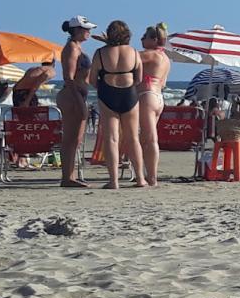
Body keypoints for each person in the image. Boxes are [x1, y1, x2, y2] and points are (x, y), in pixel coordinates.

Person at [91, 20, 146, 189]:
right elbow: (139, 79)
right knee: (133, 138)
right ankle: (140, 179)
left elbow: (92, 80)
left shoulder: (100, 53)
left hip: (108, 93)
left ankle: (114, 181)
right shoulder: (134, 52)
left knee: (111, 138)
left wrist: (105, 87)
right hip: (129, 93)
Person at [57, 15, 96, 188]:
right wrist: (79, 100)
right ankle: (67, 177)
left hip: (78, 94)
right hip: (72, 95)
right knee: (70, 139)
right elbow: (68, 77)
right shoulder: (71, 48)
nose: (89, 32)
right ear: (77, 30)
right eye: (86, 29)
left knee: (76, 139)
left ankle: (70, 176)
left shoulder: (77, 48)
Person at [137, 23, 170, 187]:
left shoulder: (150, 54)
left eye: (145, 37)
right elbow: (163, 83)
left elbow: (128, 56)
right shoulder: (165, 58)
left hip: (147, 95)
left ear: (154, 40)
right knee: (147, 138)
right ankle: (149, 174)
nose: (141, 39)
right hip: (158, 96)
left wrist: (112, 44)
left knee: (150, 139)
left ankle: (152, 176)